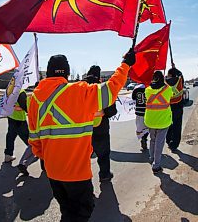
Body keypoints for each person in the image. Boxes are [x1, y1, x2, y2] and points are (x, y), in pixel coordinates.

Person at [28, 49, 135, 221]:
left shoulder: (35, 98)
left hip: (53, 172)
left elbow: (34, 139)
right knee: (82, 212)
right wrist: (126, 65)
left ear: (47, 73)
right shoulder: (80, 91)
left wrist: (48, 158)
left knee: (67, 211)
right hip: (77, 174)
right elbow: (111, 89)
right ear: (68, 73)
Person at [84, 65, 117, 182]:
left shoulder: (79, 88)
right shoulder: (103, 89)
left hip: (82, 130)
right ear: (99, 76)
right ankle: (104, 175)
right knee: (103, 154)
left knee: (83, 158)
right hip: (101, 129)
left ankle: (85, 181)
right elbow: (112, 111)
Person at [145, 71, 173, 174]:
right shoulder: (168, 89)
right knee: (159, 143)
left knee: (152, 140)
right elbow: (170, 96)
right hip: (163, 121)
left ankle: (152, 158)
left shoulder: (147, 90)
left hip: (150, 120)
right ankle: (156, 166)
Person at [3, 81, 30, 163]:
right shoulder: (21, 92)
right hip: (19, 119)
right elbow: (25, 106)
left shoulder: (9, 90)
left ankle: (8, 155)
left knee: (10, 136)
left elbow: (5, 102)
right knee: (28, 139)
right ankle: (35, 153)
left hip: (11, 117)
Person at [165, 67, 184, 151]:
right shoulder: (179, 81)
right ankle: (175, 144)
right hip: (178, 107)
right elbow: (180, 74)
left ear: (169, 75)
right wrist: (175, 68)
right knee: (177, 126)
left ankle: (168, 141)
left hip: (168, 107)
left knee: (168, 124)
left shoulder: (165, 82)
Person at [131, 83, 148, 151]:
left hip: (139, 111)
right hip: (148, 111)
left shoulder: (136, 88)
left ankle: (143, 138)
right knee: (148, 127)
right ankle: (145, 138)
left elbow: (133, 98)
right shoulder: (150, 88)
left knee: (140, 127)